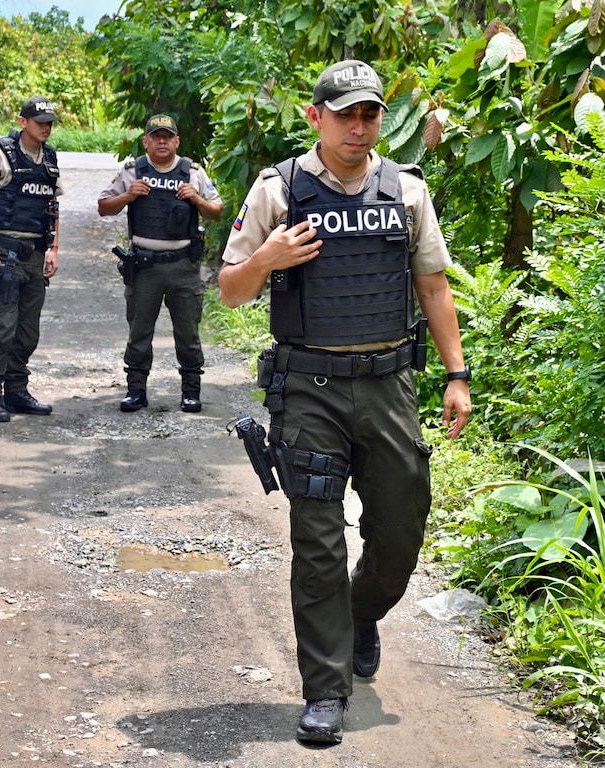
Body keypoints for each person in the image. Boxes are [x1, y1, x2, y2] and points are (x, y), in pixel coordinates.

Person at [218, 60, 472, 745]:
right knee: (318, 543)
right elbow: (231, 291)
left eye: (370, 114)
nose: (358, 128)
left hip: (390, 385)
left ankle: (361, 615)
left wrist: (457, 375)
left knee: (399, 532)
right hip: (309, 389)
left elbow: (434, 288)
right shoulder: (279, 190)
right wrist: (266, 257)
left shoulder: (407, 191)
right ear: (315, 117)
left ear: (381, 119)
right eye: (345, 115)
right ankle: (326, 691)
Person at [97, 114, 223, 413]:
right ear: (146, 142)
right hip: (144, 267)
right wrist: (128, 195)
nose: (162, 141)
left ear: (176, 141)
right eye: (156, 136)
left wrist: (197, 199)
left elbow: (216, 212)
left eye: (168, 136)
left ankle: (191, 391)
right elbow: (103, 207)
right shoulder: (132, 171)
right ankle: (136, 390)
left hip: (183, 266)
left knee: (188, 334)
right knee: (139, 332)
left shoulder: (192, 172)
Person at [0, 96, 62, 422]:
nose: (46, 128)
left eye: (50, 123)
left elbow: (53, 207)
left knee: (28, 331)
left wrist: (54, 248)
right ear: (23, 122)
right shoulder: (0, 152)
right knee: (2, 329)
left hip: (36, 253)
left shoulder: (50, 158)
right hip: (5, 252)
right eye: (41, 122)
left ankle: (16, 392)